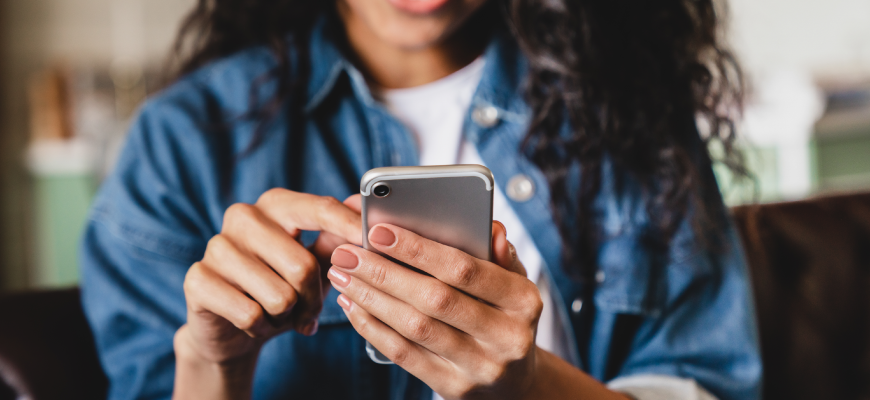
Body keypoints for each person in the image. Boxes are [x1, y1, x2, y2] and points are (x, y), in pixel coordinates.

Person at [79, 0, 762, 399]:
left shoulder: (628, 104)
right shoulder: (185, 141)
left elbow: (704, 378)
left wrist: (529, 387)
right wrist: (211, 363)